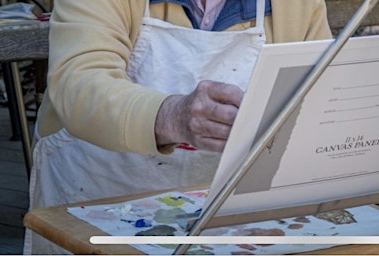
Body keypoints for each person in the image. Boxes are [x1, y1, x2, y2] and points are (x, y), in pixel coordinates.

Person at [24, 0, 332, 253]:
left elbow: (321, 97)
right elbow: (78, 86)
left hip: (231, 224)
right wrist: (170, 116)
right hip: (95, 208)